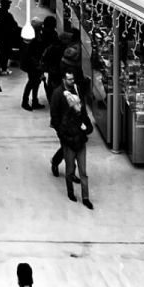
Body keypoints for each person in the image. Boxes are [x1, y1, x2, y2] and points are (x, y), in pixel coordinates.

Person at [56, 71, 95, 209]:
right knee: (70, 171)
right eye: (78, 104)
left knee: (83, 172)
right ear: (72, 105)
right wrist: (70, 140)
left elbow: (90, 127)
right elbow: (62, 132)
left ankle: (85, 197)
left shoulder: (82, 115)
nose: (80, 106)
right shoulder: (66, 118)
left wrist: (86, 129)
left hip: (81, 146)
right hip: (71, 146)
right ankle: (70, 192)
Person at [23, 17, 57, 110]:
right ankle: (25, 101)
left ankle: (34, 101)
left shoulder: (38, 35)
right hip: (33, 64)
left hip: (35, 63)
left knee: (36, 82)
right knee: (32, 82)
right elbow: (33, 53)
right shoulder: (34, 38)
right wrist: (38, 65)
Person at [0, 0, 21, 76]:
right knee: (6, 53)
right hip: (7, 37)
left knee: (0, 52)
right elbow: (15, 25)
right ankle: (4, 69)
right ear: (6, 6)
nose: (9, 7)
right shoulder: (8, 15)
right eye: (8, 5)